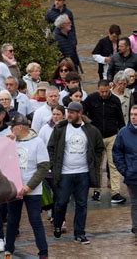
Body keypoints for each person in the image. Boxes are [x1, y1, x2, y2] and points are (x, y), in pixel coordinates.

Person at [48, 102, 104, 244]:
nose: (69, 115)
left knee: (82, 204)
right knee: (61, 202)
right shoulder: (60, 129)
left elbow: (99, 148)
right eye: (68, 112)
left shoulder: (91, 130)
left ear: (80, 113)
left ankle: (80, 233)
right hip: (65, 172)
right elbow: (51, 147)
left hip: (83, 173)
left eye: (72, 112)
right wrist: (54, 164)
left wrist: (94, 162)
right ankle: (58, 225)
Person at [5, 114, 49, 258]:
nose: (10, 129)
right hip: (15, 189)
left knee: (35, 220)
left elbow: (43, 167)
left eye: (12, 127)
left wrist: (29, 187)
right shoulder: (11, 141)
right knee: (12, 220)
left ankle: (43, 251)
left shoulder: (38, 142)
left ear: (19, 127)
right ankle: (8, 249)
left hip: (32, 190)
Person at [83, 80, 126, 204]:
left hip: (112, 136)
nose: (104, 94)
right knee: (97, 164)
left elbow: (121, 120)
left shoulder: (115, 100)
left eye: (106, 91)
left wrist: (121, 135)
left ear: (110, 88)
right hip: (96, 137)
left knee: (114, 165)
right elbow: (82, 112)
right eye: (101, 91)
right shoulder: (91, 99)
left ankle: (115, 192)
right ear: (98, 89)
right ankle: (97, 191)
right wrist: (88, 124)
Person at [113, 105, 137, 238]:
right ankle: (136, 227)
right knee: (135, 203)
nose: (133, 117)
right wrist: (124, 170)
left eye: (136, 114)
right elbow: (116, 153)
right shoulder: (123, 133)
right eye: (132, 114)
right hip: (132, 175)